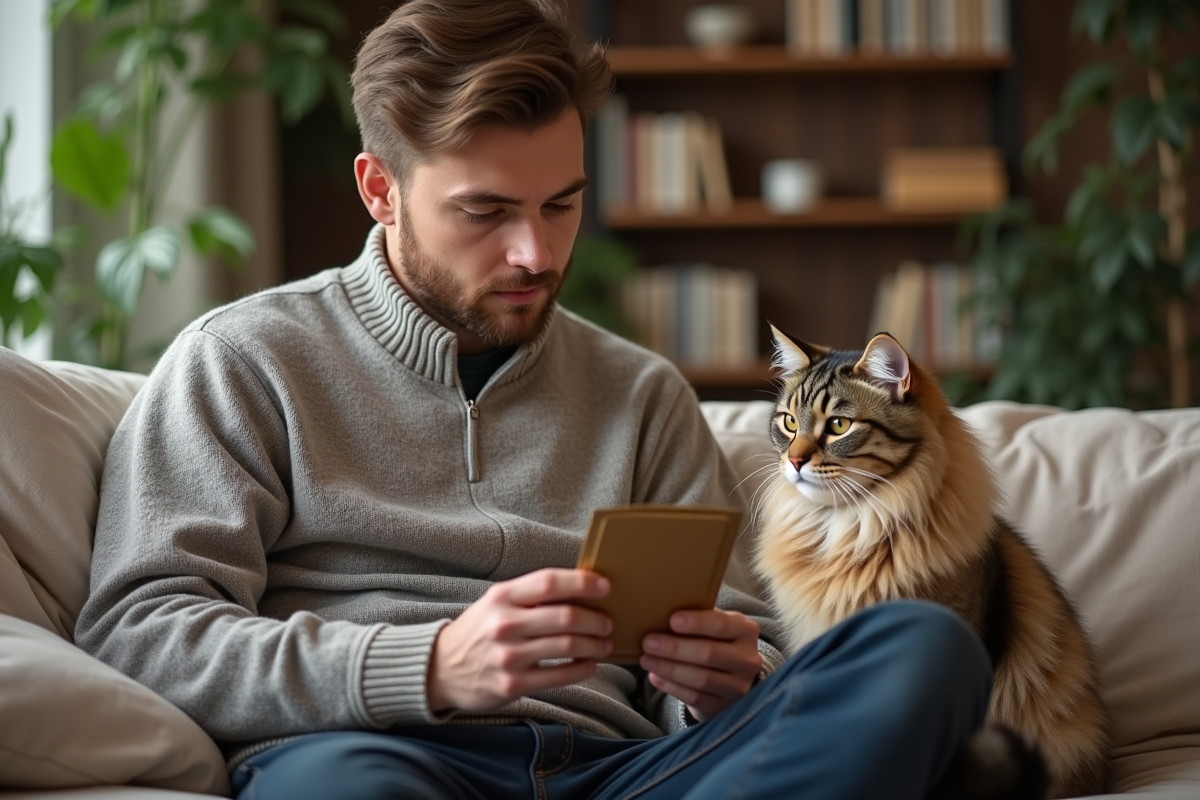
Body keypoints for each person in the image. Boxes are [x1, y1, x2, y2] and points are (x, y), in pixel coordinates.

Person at [76, 1, 996, 798]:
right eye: (486, 212)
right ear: (379, 190)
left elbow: (750, 637)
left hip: (628, 774)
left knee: (923, 650)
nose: (535, 253)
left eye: (562, 205)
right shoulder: (242, 361)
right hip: (375, 754)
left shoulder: (641, 392)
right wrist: (427, 666)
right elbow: (140, 632)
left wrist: (720, 679)